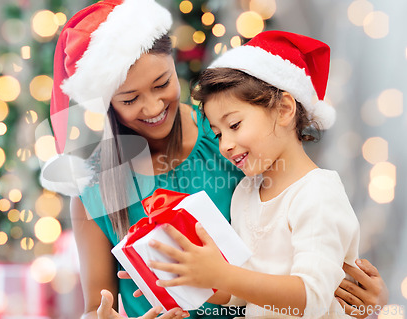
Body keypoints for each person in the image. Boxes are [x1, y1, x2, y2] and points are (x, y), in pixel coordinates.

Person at [39, 0, 389, 317]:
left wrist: (363, 294)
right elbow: (96, 308)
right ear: (107, 103)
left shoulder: (231, 134)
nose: (153, 107)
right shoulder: (96, 187)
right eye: (130, 99)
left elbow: (308, 244)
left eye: (162, 84)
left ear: (174, 65)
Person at [144, 31, 385, 318]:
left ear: (283, 109)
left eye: (234, 125)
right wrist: (189, 273)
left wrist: (222, 275)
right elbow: (242, 293)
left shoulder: (318, 194)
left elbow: (313, 298)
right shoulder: (245, 193)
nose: (225, 145)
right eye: (218, 134)